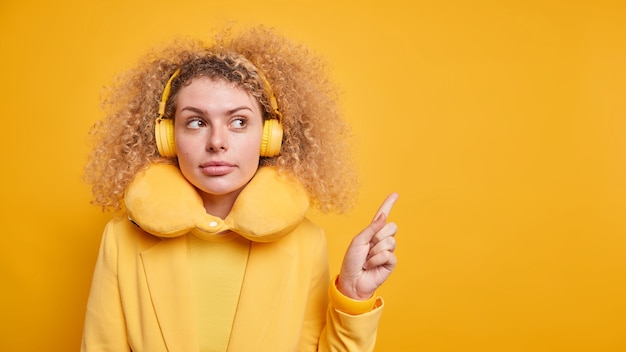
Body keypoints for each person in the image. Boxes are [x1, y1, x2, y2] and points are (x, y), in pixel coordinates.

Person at [81, 25, 399, 352]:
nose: (217, 142)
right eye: (196, 122)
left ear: (269, 137)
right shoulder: (120, 241)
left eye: (239, 122)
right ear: (167, 138)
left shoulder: (306, 243)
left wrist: (353, 296)